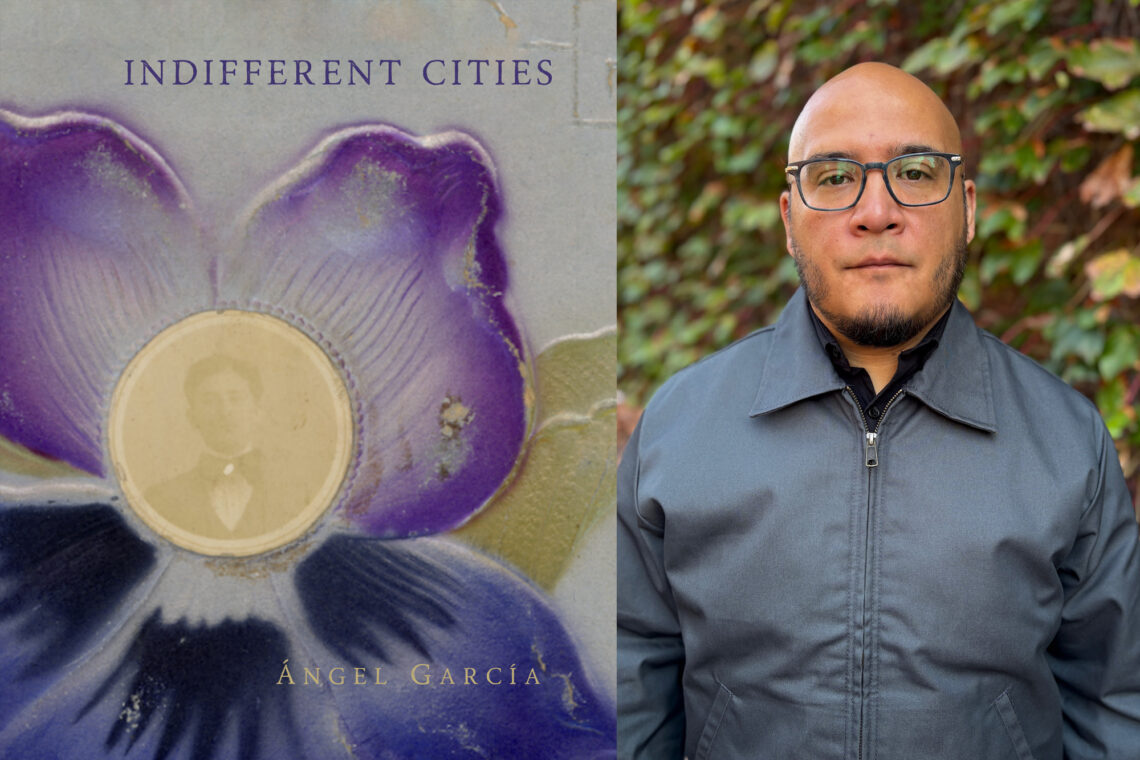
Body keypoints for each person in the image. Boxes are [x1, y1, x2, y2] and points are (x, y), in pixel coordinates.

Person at [617, 62, 1140, 759]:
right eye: (833, 177)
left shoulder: (1066, 441)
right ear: (787, 219)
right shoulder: (679, 430)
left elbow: (1113, 708)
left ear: (970, 208)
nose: (876, 211)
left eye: (917, 173)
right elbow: (625, 697)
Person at [146, 354, 308, 540]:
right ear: (192, 417)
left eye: (236, 398)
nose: (225, 411)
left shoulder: (298, 495)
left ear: (257, 412)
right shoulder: (160, 501)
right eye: (209, 400)